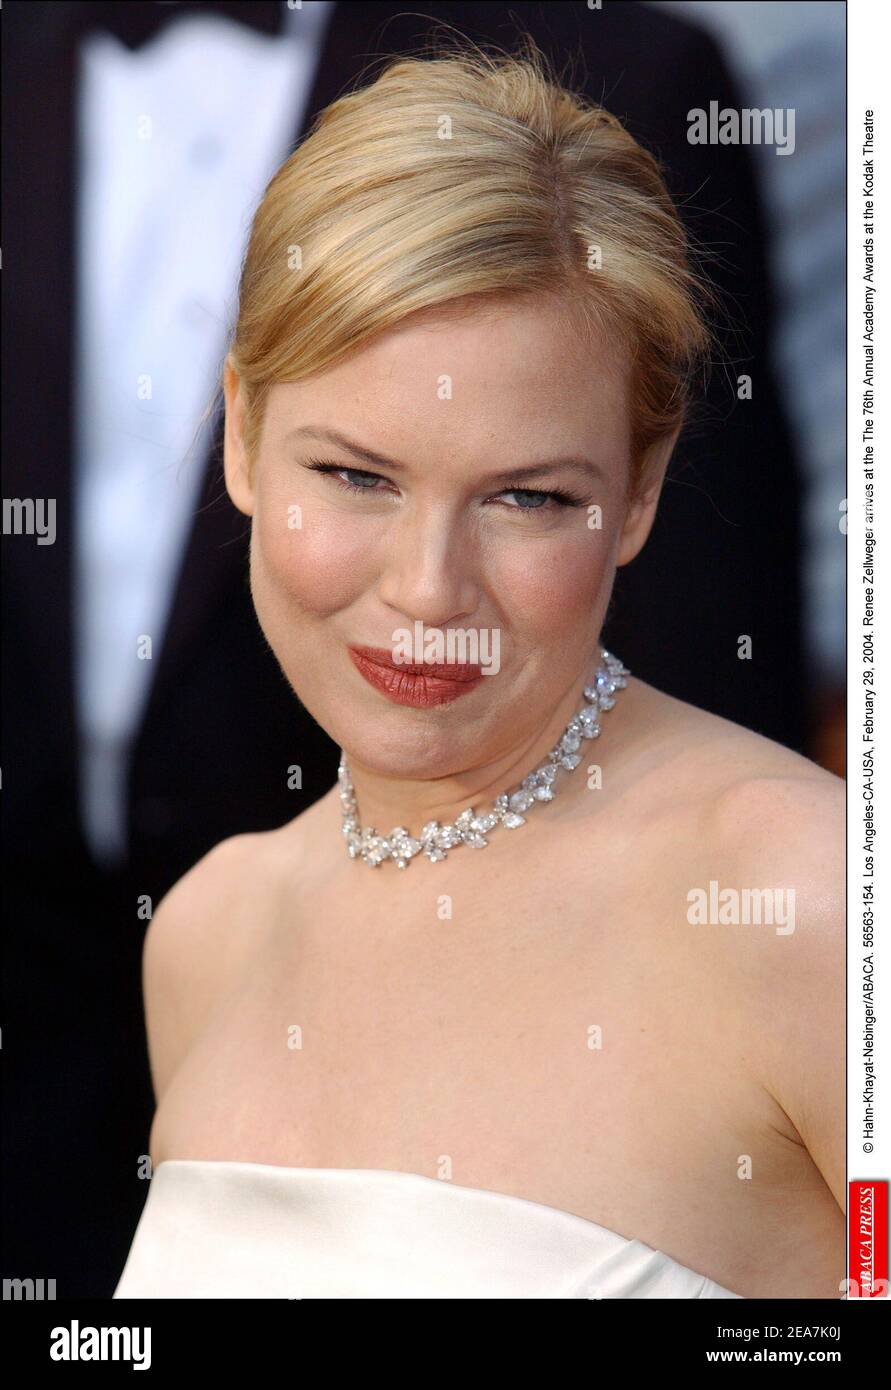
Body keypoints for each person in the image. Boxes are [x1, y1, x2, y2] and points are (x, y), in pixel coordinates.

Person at [110, 43, 844, 1300]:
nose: (428, 590)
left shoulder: (812, 904)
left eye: (526, 497)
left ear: (640, 497)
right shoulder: (206, 936)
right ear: (239, 433)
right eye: (356, 476)